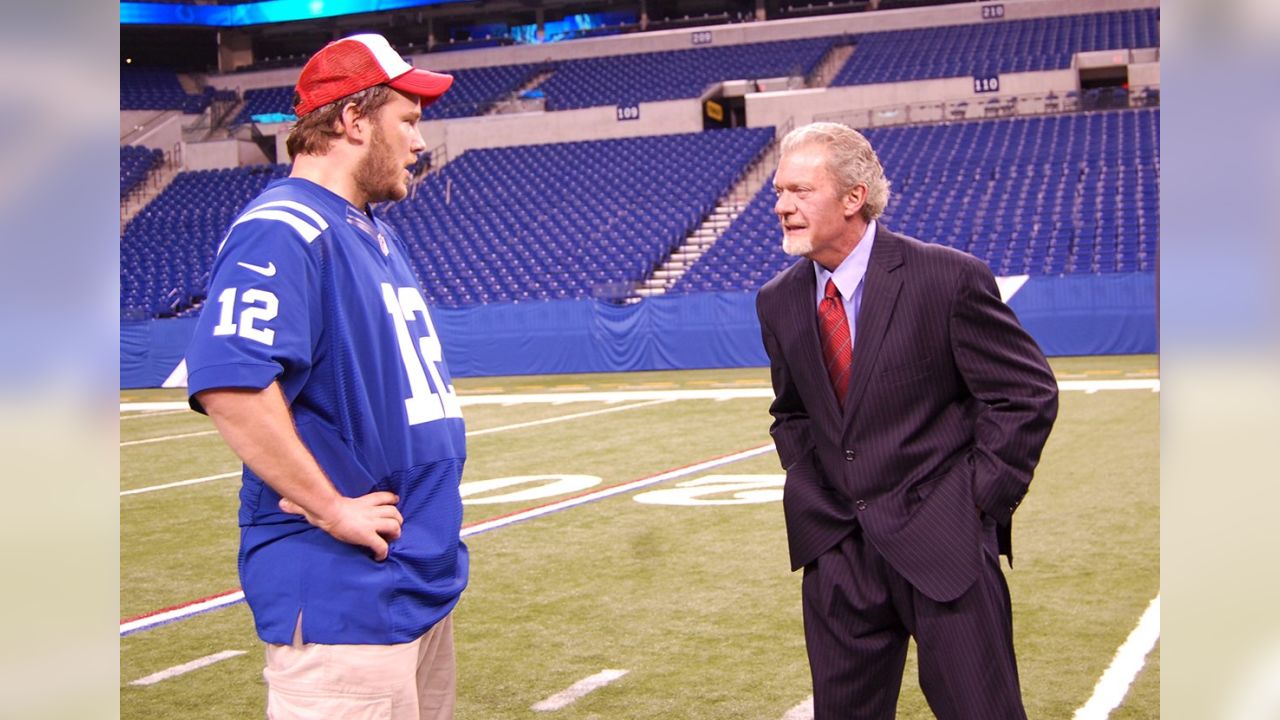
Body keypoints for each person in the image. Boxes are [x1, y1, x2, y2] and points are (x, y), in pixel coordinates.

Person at [184, 33, 466, 720]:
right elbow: (230, 381)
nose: (419, 143)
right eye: (409, 120)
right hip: (346, 594)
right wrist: (330, 504)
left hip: (409, 583)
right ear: (352, 120)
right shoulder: (283, 226)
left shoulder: (365, 227)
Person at [755, 122, 1059, 719]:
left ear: (852, 197)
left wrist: (974, 503)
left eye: (800, 191)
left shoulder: (946, 277)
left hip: (945, 545)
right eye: (778, 193)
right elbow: (791, 413)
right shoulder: (779, 300)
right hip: (840, 552)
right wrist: (818, 501)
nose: (783, 207)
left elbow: (1025, 393)